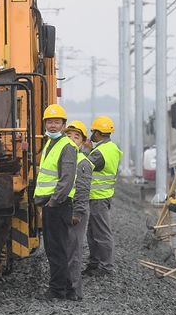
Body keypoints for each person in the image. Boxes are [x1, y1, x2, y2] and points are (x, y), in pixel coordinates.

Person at [33, 104, 77, 300]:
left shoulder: (67, 146)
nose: (52, 126)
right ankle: (68, 289)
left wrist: (53, 202)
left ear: (63, 125)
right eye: (49, 122)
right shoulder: (50, 144)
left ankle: (57, 291)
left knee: (56, 249)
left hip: (58, 205)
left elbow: (66, 180)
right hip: (51, 204)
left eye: (56, 122)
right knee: (56, 248)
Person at [84, 115, 122, 276]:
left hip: (98, 197)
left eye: (93, 132)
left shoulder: (99, 153)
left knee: (101, 233)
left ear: (98, 133)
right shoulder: (111, 148)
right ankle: (95, 263)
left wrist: (85, 149)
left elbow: (84, 167)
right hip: (100, 196)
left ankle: (106, 267)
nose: (91, 135)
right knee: (92, 233)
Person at [64, 120, 92, 298]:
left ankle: (75, 291)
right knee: (65, 249)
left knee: (74, 252)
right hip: (65, 208)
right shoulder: (66, 158)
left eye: (76, 137)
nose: (72, 139)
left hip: (76, 210)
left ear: (82, 142)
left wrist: (77, 213)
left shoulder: (82, 162)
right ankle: (66, 287)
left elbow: (82, 190)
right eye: (69, 136)